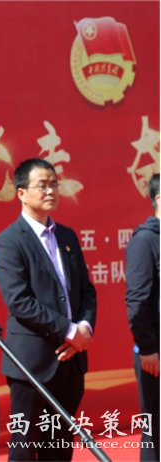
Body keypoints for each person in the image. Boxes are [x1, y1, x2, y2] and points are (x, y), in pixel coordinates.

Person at [0, 158, 97, 461]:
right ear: (21, 193)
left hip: (70, 362)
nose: (51, 190)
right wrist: (69, 330)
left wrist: (85, 328)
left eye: (54, 184)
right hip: (31, 365)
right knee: (24, 449)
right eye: (42, 185)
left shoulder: (67, 236)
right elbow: (19, 302)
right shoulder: (9, 242)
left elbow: (86, 291)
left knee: (60, 448)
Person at [125, 173, 159, 462]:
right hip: (155, 354)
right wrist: (148, 349)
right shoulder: (145, 241)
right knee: (156, 432)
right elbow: (137, 301)